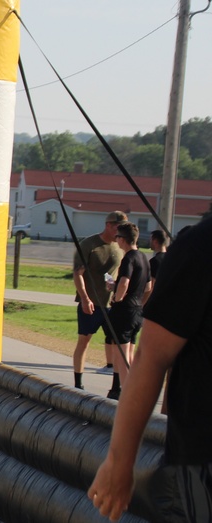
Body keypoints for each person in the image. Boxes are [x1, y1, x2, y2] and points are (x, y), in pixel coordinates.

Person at [88, 218, 212, 522]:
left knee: (123, 353)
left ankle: (116, 384)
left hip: (199, 465)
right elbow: (153, 358)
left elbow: (151, 358)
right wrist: (120, 462)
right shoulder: (199, 247)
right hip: (200, 464)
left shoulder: (195, 246)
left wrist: (119, 462)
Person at [72, 211, 126, 395]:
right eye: (119, 227)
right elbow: (77, 274)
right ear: (109, 225)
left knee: (118, 344)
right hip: (91, 303)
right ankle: (78, 384)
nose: (121, 231)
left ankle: (116, 387)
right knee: (84, 341)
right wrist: (85, 299)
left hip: (113, 304)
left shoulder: (120, 246)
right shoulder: (89, 244)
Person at [108, 222, 151, 390]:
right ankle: (122, 390)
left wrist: (117, 299)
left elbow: (125, 282)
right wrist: (140, 303)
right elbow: (148, 288)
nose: (116, 240)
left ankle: (127, 394)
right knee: (130, 354)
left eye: (117, 237)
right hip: (137, 310)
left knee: (122, 356)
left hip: (124, 311)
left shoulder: (128, 258)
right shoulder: (143, 257)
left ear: (123, 239)